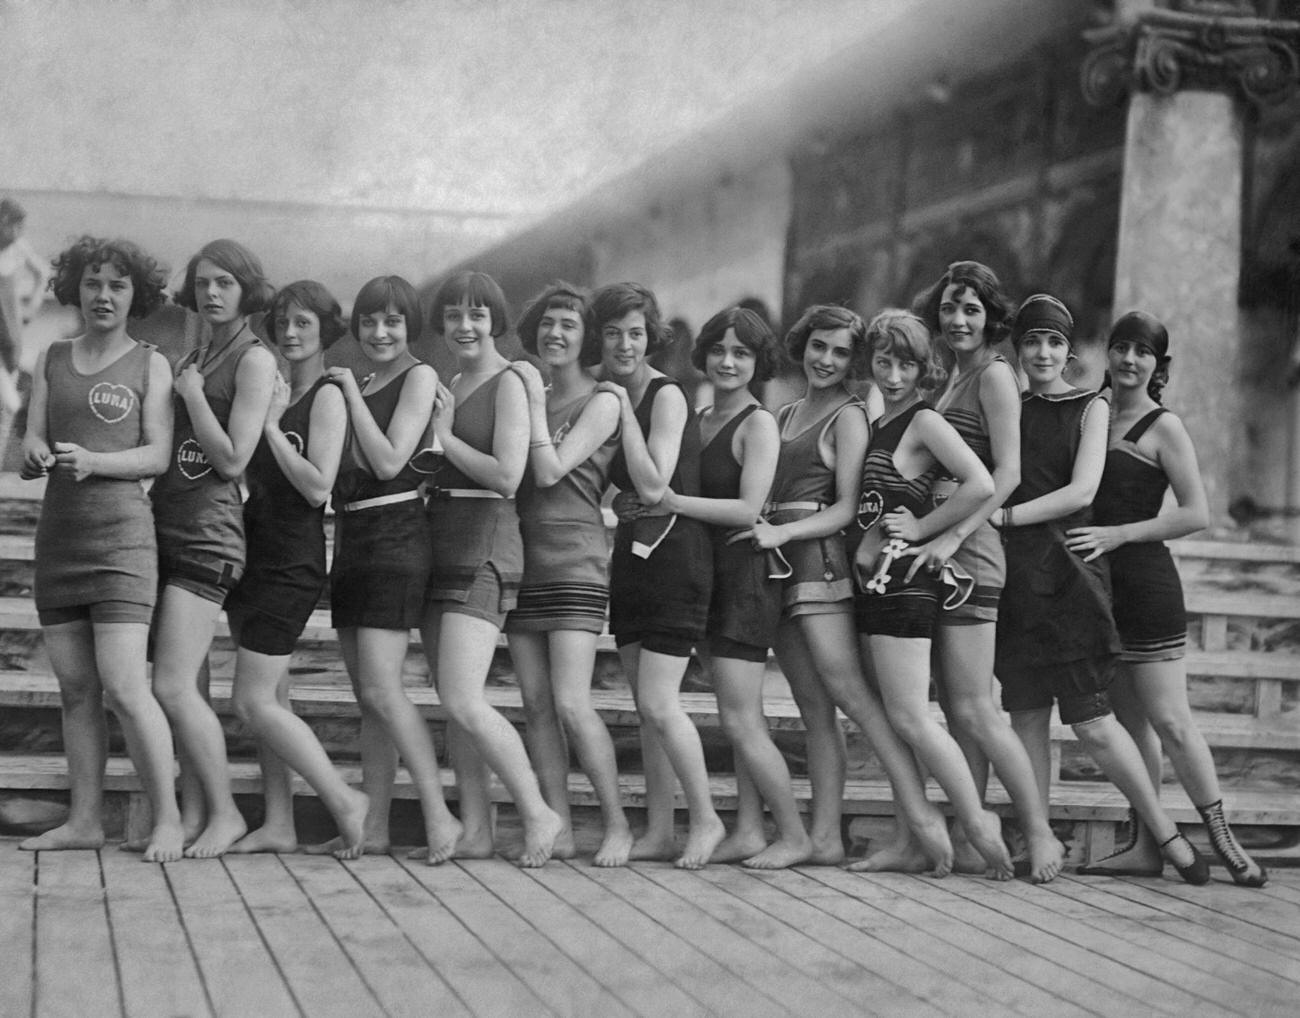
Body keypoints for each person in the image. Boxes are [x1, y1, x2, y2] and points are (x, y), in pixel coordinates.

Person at [733, 304, 957, 874]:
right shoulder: (780, 414)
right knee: (813, 709)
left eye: (839, 351)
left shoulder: (851, 415)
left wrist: (784, 529)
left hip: (821, 566)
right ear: (802, 345)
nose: (827, 360)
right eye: (818, 346)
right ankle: (824, 838)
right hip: (778, 566)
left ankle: (921, 813)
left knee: (853, 697)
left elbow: (849, 508)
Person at [995, 295, 1208, 883]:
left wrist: (1004, 518)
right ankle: (1038, 839)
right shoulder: (1007, 406)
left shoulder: (1090, 408)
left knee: (1092, 720)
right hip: (1012, 581)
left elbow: (1082, 492)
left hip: (1067, 579)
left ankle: (1164, 832)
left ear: (1071, 350)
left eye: (1055, 342)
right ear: (1019, 348)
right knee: (1027, 718)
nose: (1042, 352)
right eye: (1032, 341)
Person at [1066, 311, 1266, 886]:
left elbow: (1197, 513)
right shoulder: (1089, 415)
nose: (1130, 360)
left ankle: (1226, 843)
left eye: (1143, 352)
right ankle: (1148, 845)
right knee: (1133, 730)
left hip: (1147, 586)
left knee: (1172, 721)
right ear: (1108, 353)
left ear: (1159, 365)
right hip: (1097, 593)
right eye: (1122, 348)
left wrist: (1119, 534)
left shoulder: (1163, 426)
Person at [18, 236, 182, 862]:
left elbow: (158, 456)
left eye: (117, 284)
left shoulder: (150, 363)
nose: (103, 295)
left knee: (123, 686)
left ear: (135, 293)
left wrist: (96, 461)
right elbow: (34, 441)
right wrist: (35, 456)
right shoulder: (53, 357)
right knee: (76, 689)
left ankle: (166, 817)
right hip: (59, 540)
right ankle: (84, 819)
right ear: (76, 290)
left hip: (121, 542)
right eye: (93, 283)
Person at [910, 261, 1064, 882]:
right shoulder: (950, 380)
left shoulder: (997, 376)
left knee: (976, 707)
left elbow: (1007, 475)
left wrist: (954, 535)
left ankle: (1040, 832)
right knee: (954, 708)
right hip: (939, 549)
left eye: (971, 309)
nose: (958, 320)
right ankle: (973, 832)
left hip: (970, 552)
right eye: (950, 307)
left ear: (991, 316)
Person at [851, 309, 1014, 879]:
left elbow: (984, 483)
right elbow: (875, 505)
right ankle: (912, 840)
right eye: (883, 361)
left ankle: (976, 820)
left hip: (906, 584)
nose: (892, 374)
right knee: (903, 717)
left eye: (905, 364)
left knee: (913, 716)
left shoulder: (922, 421)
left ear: (924, 369)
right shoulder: (883, 422)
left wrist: (923, 529)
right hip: (878, 581)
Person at [658, 305, 813, 868]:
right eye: (719, 350)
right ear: (703, 355)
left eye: (741, 353)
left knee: (740, 720)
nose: (727, 362)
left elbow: (749, 509)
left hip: (745, 577)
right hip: (703, 578)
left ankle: (793, 835)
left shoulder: (758, 424)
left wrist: (673, 502)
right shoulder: (697, 419)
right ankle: (748, 829)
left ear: (758, 362)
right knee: (738, 717)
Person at [419, 270, 562, 868]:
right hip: (441, 540)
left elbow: (509, 475)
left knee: (460, 696)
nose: (464, 326)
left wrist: (444, 438)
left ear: (495, 320)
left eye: (477, 315)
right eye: (453, 315)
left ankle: (537, 810)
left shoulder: (510, 381)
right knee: (455, 702)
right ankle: (475, 827)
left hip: (486, 542)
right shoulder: (454, 379)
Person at [224, 281, 369, 857]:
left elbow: (316, 488)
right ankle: (280, 822)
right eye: (282, 321)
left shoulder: (327, 396)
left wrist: (268, 427)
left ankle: (344, 799)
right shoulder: (277, 389)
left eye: (303, 323)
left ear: (325, 329)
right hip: (255, 554)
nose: (289, 333)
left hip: (292, 561)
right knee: (272, 704)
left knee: (251, 702)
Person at [321, 274, 463, 863]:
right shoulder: (374, 378)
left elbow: (386, 461)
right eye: (370, 321)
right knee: (367, 697)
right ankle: (372, 826)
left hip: (397, 535)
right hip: (354, 535)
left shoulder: (418, 376)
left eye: (393, 321)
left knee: (384, 688)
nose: (380, 333)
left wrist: (349, 394)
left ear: (411, 327)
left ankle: (439, 815)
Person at [149, 238, 277, 857]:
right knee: (186, 687)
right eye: (203, 282)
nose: (212, 292)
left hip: (209, 533)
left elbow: (232, 458)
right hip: (165, 524)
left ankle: (225, 813)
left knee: (171, 685)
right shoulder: (198, 350)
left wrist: (194, 393)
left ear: (246, 289)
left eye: (225, 282)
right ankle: (197, 810)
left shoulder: (253, 360)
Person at [593, 281, 726, 870]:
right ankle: (659, 830)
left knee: (658, 701)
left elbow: (654, 484)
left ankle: (707, 820)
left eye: (636, 333)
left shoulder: (665, 396)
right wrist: (614, 503)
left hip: (677, 559)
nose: (625, 344)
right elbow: (608, 488)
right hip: (632, 559)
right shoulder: (604, 394)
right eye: (615, 333)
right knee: (647, 710)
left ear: (652, 338)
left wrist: (622, 410)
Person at [505, 282, 632, 866]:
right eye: (548, 322)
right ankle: (557, 825)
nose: (555, 333)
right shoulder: (533, 390)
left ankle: (616, 825)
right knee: (534, 704)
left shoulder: (604, 400)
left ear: (587, 339)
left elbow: (551, 470)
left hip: (576, 559)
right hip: (522, 557)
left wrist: (531, 401)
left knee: (573, 703)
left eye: (569, 325)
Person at [0, 198, 50, 451]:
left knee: (6, 410)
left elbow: (42, 273)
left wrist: (33, 303)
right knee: (10, 402)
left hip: (11, 333)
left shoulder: (18, 248)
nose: (19, 233)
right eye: (14, 226)